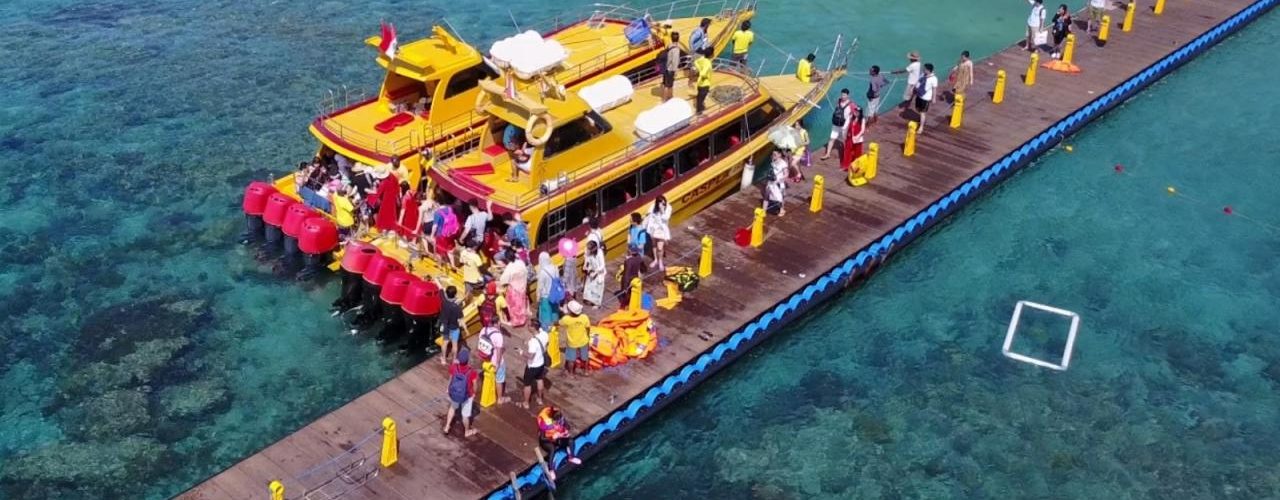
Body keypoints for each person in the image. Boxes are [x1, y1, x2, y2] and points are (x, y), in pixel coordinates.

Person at [537, 406, 582, 478]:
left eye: (558, 421)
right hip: (546, 441)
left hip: (558, 438)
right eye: (556, 421)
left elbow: (568, 427)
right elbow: (542, 438)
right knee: (552, 449)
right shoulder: (545, 423)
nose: (557, 423)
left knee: (571, 441)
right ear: (552, 420)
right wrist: (552, 437)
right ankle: (551, 469)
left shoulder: (560, 419)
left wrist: (565, 432)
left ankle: (572, 457)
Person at [443, 348, 478, 437]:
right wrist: (474, 393)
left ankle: (447, 426)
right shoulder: (472, 371)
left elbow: (451, 378)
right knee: (465, 415)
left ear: (458, 359)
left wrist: (448, 388)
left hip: (454, 393)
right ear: (467, 360)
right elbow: (475, 384)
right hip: (467, 395)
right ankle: (467, 431)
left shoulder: (453, 367)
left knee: (452, 408)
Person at [475, 315, 508, 403]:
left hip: (485, 358)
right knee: (499, 380)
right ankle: (500, 399)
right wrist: (498, 364)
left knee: (487, 374)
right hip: (495, 361)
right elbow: (499, 351)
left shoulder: (484, 330)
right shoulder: (498, 335)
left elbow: (480, 343)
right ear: (497, 323)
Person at [520, 323, 550, 408]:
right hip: (541, 363)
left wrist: (521, 352)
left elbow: (531, 356)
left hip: (532, 366)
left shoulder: (533, 342)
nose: (527, 327)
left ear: (533, 328)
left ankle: (526, 403)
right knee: (539, 380)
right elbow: (546, 344)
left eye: (529, 325)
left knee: (527, 384)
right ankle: (540, 399)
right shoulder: (544, 334)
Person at [558, 300, 591, 375]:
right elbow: (588, 328)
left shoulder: (566, 319)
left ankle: (571, 373)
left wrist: (552, 323)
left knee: (571, 359)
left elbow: (558, 323)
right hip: (584, 341)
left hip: (572, 343)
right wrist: (588, 337)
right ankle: (586, 371)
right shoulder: (584, 317)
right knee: (585, 357)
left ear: (570, 311)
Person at [819, 89, 853, 160]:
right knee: (832, 138)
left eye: (844, 95)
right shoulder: (839, 101)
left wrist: (848, 125)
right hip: (836, 123)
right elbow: (836, 107)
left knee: (845, 140)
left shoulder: (851, 104)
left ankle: (846, 156)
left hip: (844, 126)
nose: (843, 96)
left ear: (848, 95)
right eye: (842, 95)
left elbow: (853, 114)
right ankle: (827, 154)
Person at [499, 249, 529, 326]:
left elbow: (503, 280)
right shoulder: (521, 263)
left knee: (514, 307)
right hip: (522, 286)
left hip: (514, 289)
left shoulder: (509, 267)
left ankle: (516, 322)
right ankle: (523, 319)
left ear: (507, 258)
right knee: (521, 305)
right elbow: (525, 272)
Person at [439, 285, 466, 366]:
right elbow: (461, 320)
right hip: (455, 327)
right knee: (455, 344)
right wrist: (465, 328)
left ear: (446, 294)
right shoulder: (457, 307)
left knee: (445, 343)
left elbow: (440, 288)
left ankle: (443, 359)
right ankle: (454, 360)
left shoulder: (444, 301)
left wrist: (436, 280)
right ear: (455, 294)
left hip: (446, 326)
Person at [646, 196, 672, 270]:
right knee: (654, 245)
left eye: (664, 203)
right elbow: (649, 215)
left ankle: (660, 261)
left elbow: (666, 218)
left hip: (661, 230)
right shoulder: (653, 206)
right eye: (661, 203)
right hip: (653, 229)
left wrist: (662, 210)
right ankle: (655, 260)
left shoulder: (668, 207)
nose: (662, 204)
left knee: (660, 248)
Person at [536, 252, 561, 328]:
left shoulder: (542, 272)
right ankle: (555, 326)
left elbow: (540, 287)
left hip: (545, 296)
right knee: (554, 311)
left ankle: (546, 329)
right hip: (555, 294)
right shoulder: (555, 268)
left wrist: (538, 297)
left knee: (546, 313)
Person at [914, 63, 939, 134]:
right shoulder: (922, 75)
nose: (923, 69)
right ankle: (921, 118)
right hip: (919, 95)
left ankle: (921, 127)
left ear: (928, 70)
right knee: (918, 109)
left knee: (923, 112)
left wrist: (934, 98)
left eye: (924, 69)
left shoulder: (934, 79)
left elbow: (934, 89)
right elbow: (918, 82)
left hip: (926, 98)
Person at [841, 105, 867, 172]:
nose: (856, 112)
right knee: (847, 152)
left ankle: (856, 167)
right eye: (855, 111)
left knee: (857, 153)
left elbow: (862, 130)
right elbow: (845, 126)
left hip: (858, 139)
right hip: (850, 137)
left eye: (858, 111)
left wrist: (857, 136)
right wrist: (844, 135)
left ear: (860, 113)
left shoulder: (862, 119)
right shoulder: (851, 117)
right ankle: (846, 166)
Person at [582, 240, 606, 307]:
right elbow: (587, 260)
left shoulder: (599, 253)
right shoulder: (588, 252)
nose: (587, 250)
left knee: (598, 288)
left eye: (589, 249)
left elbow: (602, 265)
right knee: (589, 286)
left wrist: (596, 272)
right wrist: (585, 266)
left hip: (599, 272)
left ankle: (597, 303)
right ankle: (589, 299)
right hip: (592, 270)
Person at [661, 32, 682, 102]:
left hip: (666, 68)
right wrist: (675, 71)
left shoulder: (669, 46)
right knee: (669, 85)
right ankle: (666, 99)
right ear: (678, 39)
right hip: (670, 69)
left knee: (666, 84)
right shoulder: (676, 49)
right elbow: (675, 61)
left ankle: (669, 98)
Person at [692, 47, 713, 115]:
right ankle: (699, 113)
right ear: (711, 55)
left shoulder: (702, 59)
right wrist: (706, 76)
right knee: (701, 99)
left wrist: (699, 69)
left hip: (699, 82)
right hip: (705, 83)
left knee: (699, 97)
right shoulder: (708, 63)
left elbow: (695, 62)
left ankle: (700, 109)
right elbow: (703, 73)